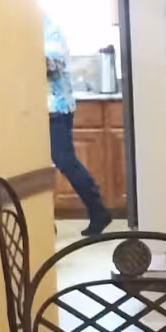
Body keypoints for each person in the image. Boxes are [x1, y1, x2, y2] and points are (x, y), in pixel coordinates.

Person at [44, 13, 110, 236]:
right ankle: (44, 223)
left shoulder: (49, 27)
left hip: (56, 108)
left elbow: (51, 62)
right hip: (32, 111)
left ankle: (98, 211)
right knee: (34, 166)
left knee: (64, 160)